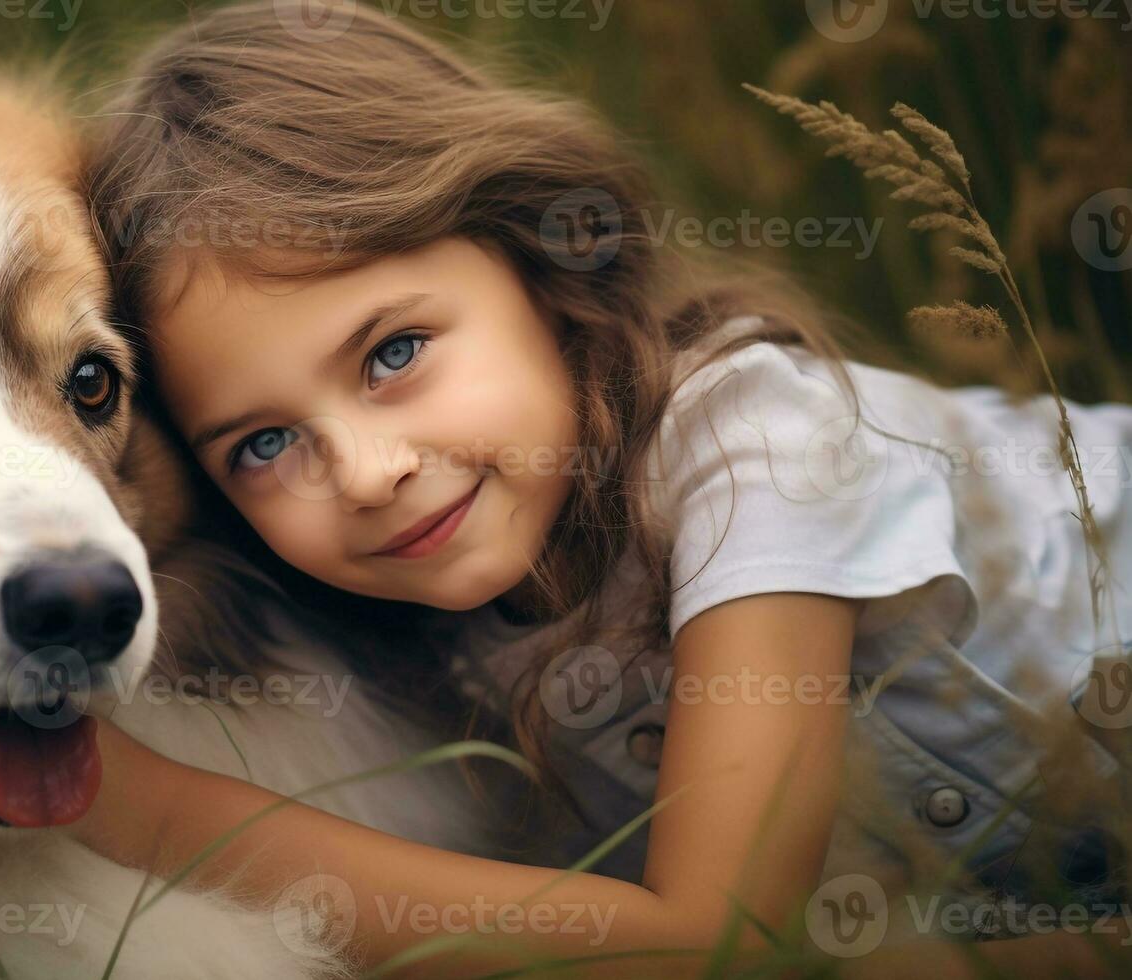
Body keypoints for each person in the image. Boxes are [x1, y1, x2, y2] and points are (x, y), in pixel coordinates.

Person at [71, 3, 1132, 973]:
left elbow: (720, 936)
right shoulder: (416, 645)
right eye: (262, 444)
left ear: (535, 257)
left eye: (393, 353)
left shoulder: (751, 442)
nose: (365, 471)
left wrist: (158, 814)